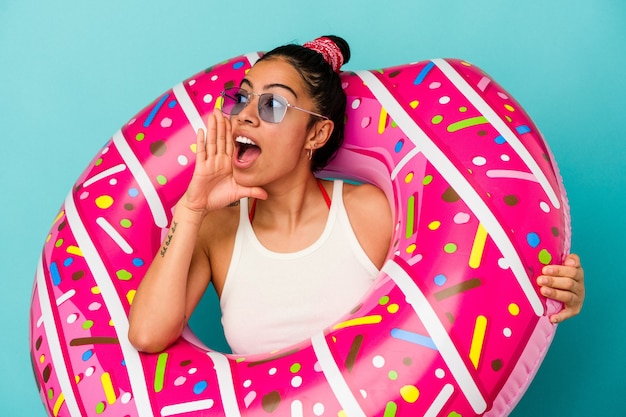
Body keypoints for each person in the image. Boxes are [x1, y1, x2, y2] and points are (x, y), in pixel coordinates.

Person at [127, 35, 585, 355]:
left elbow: (468, 300)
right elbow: (147, 334)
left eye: (271, 104)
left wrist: (553, 292)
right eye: (242, 98)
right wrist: (191, 208)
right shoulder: (216, 229)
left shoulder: (368, 213)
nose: (245, 115)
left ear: (316, 133)